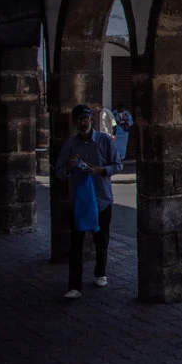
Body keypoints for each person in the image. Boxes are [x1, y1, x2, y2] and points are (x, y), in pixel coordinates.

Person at [55, 104, 123, 300]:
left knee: (101, 240)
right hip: (79, 201)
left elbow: (117, 165)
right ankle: (74, 285)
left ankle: (100, 272)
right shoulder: (70, 145)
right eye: (79, 120)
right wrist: (68, 166)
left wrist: (100, 170)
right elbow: (59, 173)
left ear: (91, 120)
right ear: (74, 122)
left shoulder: (104, 141)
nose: (82, 123)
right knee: (75, 244)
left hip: (101, 199)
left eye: (85, 119)